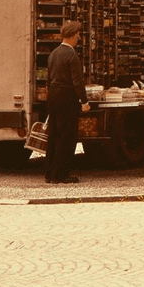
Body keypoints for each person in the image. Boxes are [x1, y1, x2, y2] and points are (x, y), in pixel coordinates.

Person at [45, 20, 90, 184]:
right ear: (71, 36)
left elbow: (48, 80)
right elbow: (77, 81)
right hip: (67, 97)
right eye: (77, 36)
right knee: (67, 137)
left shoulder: (53, 53)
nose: (78, 39)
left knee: (54, 135)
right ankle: (61, 174)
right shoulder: (71, 55)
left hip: (53, 96)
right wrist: (84, 101)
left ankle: (49, 173)